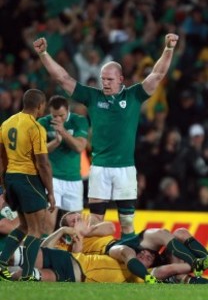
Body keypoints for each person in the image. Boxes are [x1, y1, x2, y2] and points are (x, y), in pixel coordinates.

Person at [33, 34, 179, 239]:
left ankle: (127, 263)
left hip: (126, 169)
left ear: (121, 79)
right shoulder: (93, 97)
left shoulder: (134, 96)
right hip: (100, 168)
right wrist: (43, 53)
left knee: (127, 223)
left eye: (110, 79)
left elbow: (157, 74)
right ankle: (92, 261)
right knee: (94, 222)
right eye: (103, 79)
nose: (105, 83)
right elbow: (63, 78)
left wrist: (168, 49)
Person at [0, 89, 56, 281]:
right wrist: (50, 192)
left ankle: (1, 263)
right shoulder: (35, 127)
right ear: (40, 105)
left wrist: (5, 185)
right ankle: (28, 274)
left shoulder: (6, 124)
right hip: (28, 179)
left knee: (24, 226)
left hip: (11, 178)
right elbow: (43, 163)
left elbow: (2, 158)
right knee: (36, 229)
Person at [37, 95, 89, 234]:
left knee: (75, 225)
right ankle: (44, 254)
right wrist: (56, 142)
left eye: (62, 115)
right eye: (55, 115)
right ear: (50, 112)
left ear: (68, 110)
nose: (58, 119)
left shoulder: (79, 121)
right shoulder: (42, 123)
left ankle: (71, 255)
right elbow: (39, 151)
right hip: (51, 178)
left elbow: (79, 147)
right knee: (48, 224)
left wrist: (63, 132)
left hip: (74, 179)